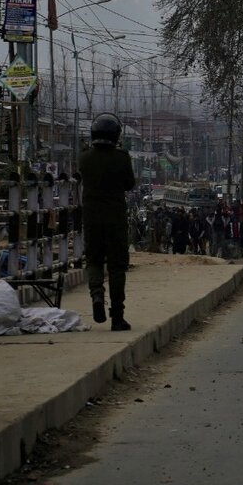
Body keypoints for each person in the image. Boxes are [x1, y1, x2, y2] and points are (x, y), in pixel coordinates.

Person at [78, 113, 136, 331]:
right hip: (115, 219)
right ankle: (117, 316)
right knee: (117, 266)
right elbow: (129, 184)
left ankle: (96, 296)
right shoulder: (122, 158)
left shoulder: (84, 158)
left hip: (91, 219)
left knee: (94, 260)